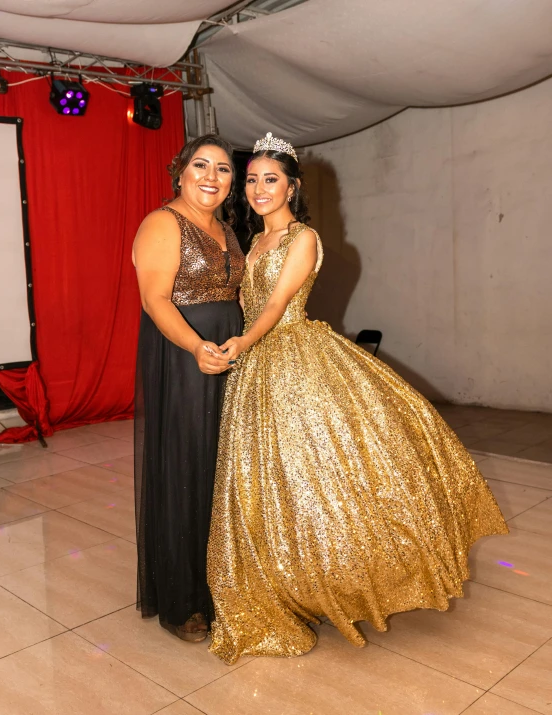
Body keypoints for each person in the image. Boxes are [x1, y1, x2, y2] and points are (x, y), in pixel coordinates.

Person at [206, 132, 508, 664]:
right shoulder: (251, 242)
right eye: (251, 180)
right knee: (269, 481)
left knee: (320, 474)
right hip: (256, 371)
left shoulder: (303, 237)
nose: (258, 189)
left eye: (270, 179)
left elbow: (276, 305)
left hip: (295, 357)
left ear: (292, 187)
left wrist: (243, 342)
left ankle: (342, 577)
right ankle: (286, 579)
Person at [133, 134, 245, 642]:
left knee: (224, 469)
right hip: (183, 354)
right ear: (179, 172)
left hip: (230, 353)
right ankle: (183, 601)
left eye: (223, 169)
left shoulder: (226, 229)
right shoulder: (162, 222)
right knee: (188, 465)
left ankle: (223, 583)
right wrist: (196, 346)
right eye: (201, 165)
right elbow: (156, 301)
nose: (211, 176)